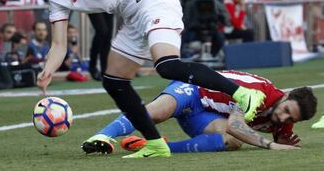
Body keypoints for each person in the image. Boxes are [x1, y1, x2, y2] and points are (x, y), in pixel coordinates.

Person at [10, 0, 265, 158]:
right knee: (114, 81)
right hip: (132, 18)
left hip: (154, 0)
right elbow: (59, 45)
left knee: (167, 66)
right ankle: (155, 144)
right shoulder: (56, 0)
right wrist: (48, 70)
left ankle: (243, 94)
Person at [84, 70, 316, 154]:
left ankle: (150, 146)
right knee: (154, 113)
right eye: (286, 111)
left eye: (291, 119)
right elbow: (236, 125)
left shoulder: (286, 117)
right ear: (285, 95)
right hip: (193, 91)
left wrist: (284, 139)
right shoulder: (259, 94)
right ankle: (102, 136)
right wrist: (272, 145)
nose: (283, 119)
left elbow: (236, 133)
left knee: (232, 142)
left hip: (205, 115)